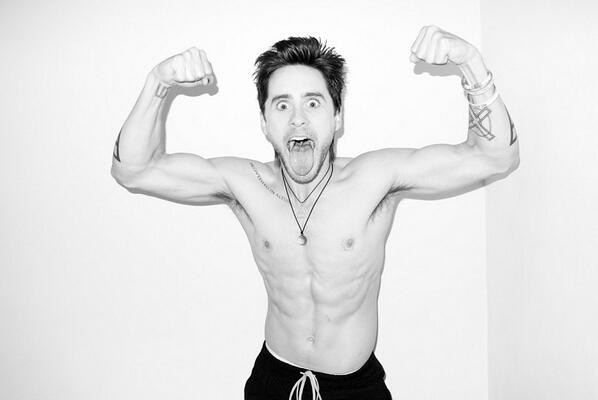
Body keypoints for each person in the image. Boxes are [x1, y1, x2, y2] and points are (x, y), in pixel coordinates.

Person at [111, 25, 519, 400]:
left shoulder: (374, 180)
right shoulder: (246, 185)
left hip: (355, 387)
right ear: (264, 122)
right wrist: (157, 83)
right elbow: (132, 170)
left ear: (337, 116)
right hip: (274, 379)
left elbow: (495, 157)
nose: (298, 119)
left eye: (312, 102)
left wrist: (470, 62)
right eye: (282, 105)